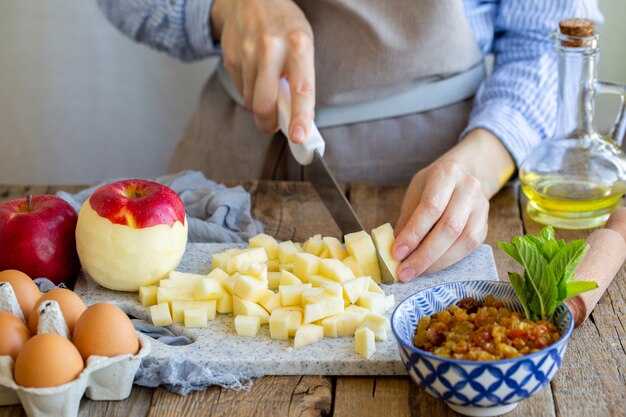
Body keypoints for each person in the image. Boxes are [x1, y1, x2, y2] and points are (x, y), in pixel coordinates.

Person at [97, 0, 601, 282]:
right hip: (234, 153)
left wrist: (486, 158)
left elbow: (549, 38)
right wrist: (224, 8)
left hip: (442, 170)